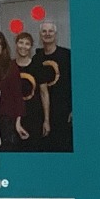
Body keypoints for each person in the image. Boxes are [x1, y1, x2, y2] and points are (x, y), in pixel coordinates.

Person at [32, 20, 70, 150]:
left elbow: (76, 83)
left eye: (50, 31)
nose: (47, 34)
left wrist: (74, 108)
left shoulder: (67, 55)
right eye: (44, 31)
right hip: (42, 113)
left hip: (64, 111)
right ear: (40, 34)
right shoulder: (37, 58)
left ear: (56, 34)